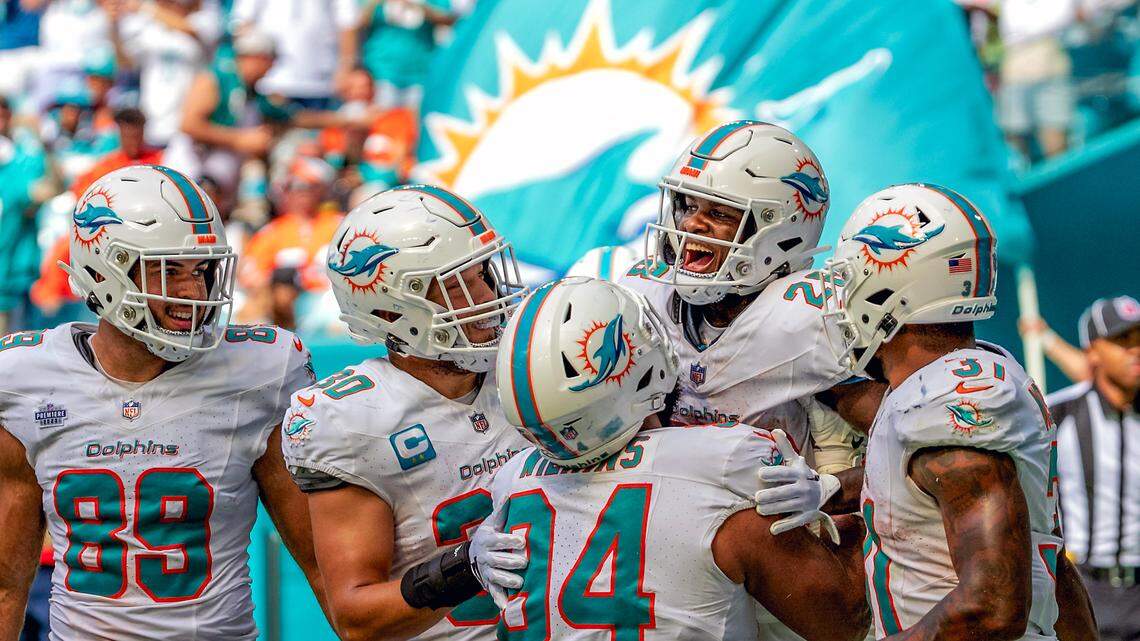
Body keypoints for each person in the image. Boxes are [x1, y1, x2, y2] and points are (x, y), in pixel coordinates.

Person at [0, 165, 328, 639]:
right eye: (167, 269)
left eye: (201, 270)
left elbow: (322, 565)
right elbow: (6, 584)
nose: (192, 292)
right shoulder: (24, 377)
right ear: (101, 270)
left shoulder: (262, 371)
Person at [480, 276, 870, 641]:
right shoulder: (728, 459)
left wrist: (466, 557)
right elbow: (843, 621)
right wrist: (854, 508)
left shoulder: (510, 484)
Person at [806, 183, 1096, 640]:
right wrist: (829, 488)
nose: (842, 295)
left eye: (850, 277)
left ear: (890, 287)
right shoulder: (969, 374)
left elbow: (992, 607)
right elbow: (1050, 566)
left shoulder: (943, 404)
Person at [281, 183, 532, 640]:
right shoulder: (354, 418)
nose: (486, 294)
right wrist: (464, 569)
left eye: (484, 273)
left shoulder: (530, 366)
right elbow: (355, 617)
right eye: (461, 282)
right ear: (396, 310)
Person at [619, 120, 881, 543]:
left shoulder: (809, 321)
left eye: (719, 213)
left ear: (781, 232)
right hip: (664, 532)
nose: (691, 225)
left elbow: (909, 435)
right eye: (687, 205)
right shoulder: (641, 297)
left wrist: (836, 488)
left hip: (773, 546)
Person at [1050, 295, 1140, 641]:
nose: (1135, 350)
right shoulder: (1058, 415)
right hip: (1084, 588)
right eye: (1122, 341)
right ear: (1093, 351)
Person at [107, 0, 221, 147]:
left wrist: (144, 7)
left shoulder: (205, 19)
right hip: (153, 126)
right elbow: (126, 63)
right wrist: (114, 26)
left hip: (188, 132)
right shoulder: (150, 28)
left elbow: (189, 29)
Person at [229, 0, 359, 109]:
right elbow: (242, 22)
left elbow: (347, 21)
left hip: (321, 82)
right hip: (270, 82)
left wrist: (345, 69)